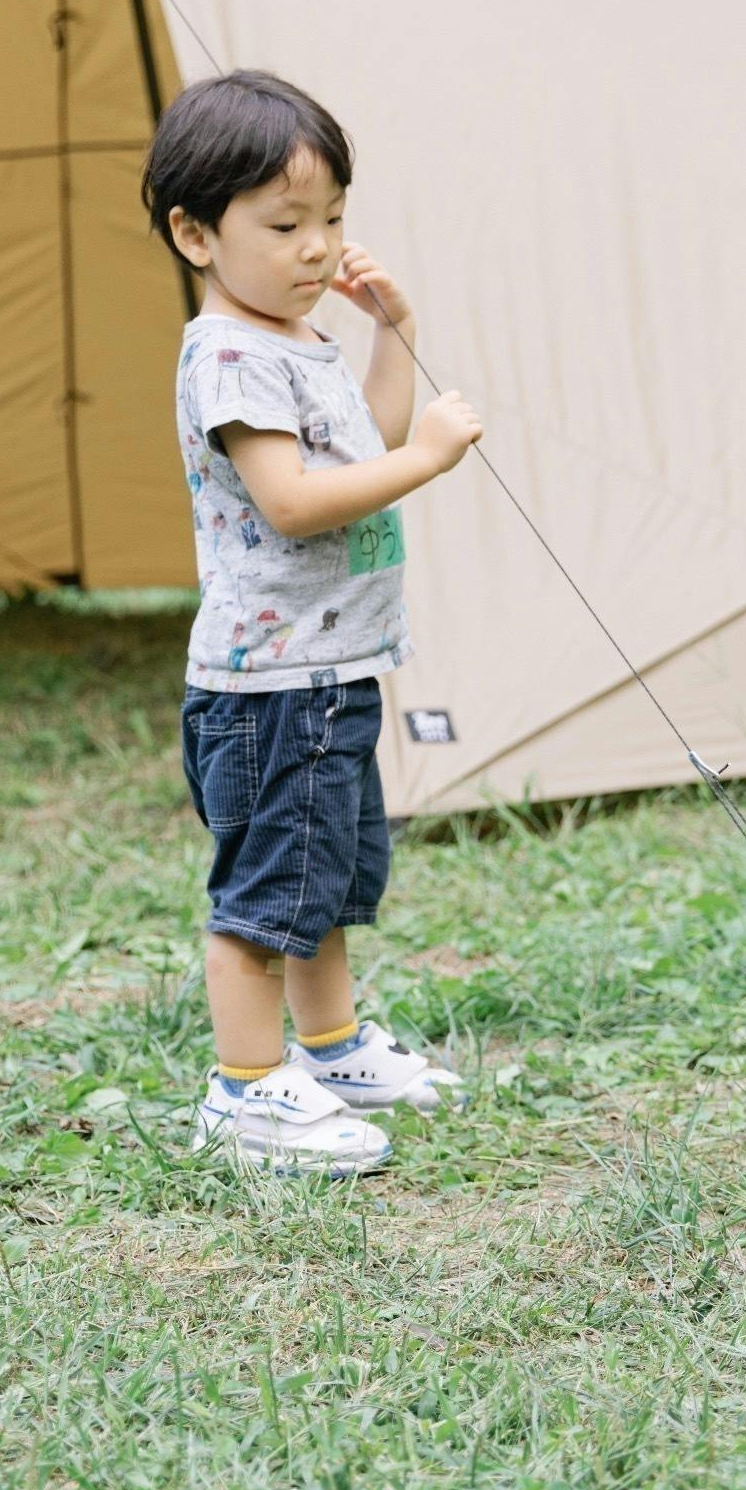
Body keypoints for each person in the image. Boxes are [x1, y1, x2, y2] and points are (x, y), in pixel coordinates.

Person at [149, 70, 484, 1176]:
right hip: (269, 688)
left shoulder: (299, 342)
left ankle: (330, 1050)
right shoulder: (232, 356)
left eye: (333, 217)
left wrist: (393, 334)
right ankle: (246, 1094)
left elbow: (364, 449)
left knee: (323, 880)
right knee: (263, 898)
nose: (317, 246)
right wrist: (427, 461)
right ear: (195, 232)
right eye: (285, 223)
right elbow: (296, 500)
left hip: (331, 672)